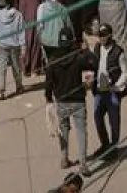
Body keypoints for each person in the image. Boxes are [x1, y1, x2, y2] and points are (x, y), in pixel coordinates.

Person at [45, 31, 93, 172]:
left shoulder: (53, 61)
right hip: (78, 100)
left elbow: (48, 83)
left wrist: (48, 98)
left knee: (63, 131)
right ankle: (83, 163)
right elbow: (93, 64)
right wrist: (87, 50)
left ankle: (64, 158)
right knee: (81, 131)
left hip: (61, 101)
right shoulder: (78, 58)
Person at [88, 23, 127, 158]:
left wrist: (117, 87)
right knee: (97, 117)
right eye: (100, 36)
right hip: (99, 89)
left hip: (112, 91)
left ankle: (113, 148)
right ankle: (105, 145)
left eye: (104, 35)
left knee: (114, 121)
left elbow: (125, 72)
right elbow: (94, 65)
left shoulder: (119, 52)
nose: (101, 38)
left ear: (110, 35)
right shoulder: (97, 48)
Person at [0, 0, 26, 99]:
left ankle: (0, 91)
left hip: (2, 44)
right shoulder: (18, 15)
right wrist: (23, 46)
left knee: (2, 68)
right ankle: (19, 86)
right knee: (16, 67)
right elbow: (21, 31)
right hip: (14, 44)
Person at [16, 0, 47, 76]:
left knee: (24, 42)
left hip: (23, 16)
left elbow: (16, 0)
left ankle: (24, 67)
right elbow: (43, 0)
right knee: (35, 42)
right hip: (36, 15)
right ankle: (35, 68)